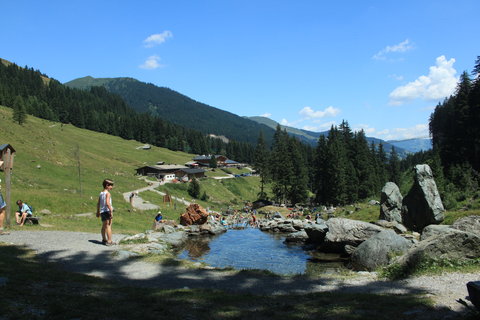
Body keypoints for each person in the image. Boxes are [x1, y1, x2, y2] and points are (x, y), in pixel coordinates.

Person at [96, 179, 115, 246]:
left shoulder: (101, 193)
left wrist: (98, 211)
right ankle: (109, 241)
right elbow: (107, 203)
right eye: (111, 185)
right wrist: (111, 211)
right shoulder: (108, 193)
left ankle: (104, 239)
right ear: (107, 185)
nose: (112, 187)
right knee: (109, 225)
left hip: (102, 211)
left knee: (104, 226)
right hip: (107, 211)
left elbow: (98, 203)